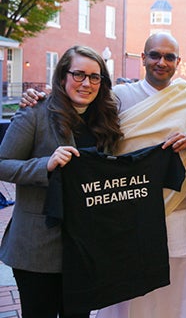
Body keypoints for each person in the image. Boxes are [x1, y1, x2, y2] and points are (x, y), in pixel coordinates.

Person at [20, 33, 186, 318]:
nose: (161, 62)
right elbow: (78, 109)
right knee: (128, 296)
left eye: (169, 57)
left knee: (176, 297)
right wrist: (44, 96)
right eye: (155, 55)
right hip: (126, 213)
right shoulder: (116, 98)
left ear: (178, 62)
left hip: (177, 212)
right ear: (142, 58)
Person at [0, 45, 123, 318]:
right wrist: (46, 165)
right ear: (62, 76)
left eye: (95, 76)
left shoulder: (106, 120)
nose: (86, 83)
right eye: (78, 74)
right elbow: (3, 164)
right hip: (37, 247)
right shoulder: (35, 112)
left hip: (84, 247)